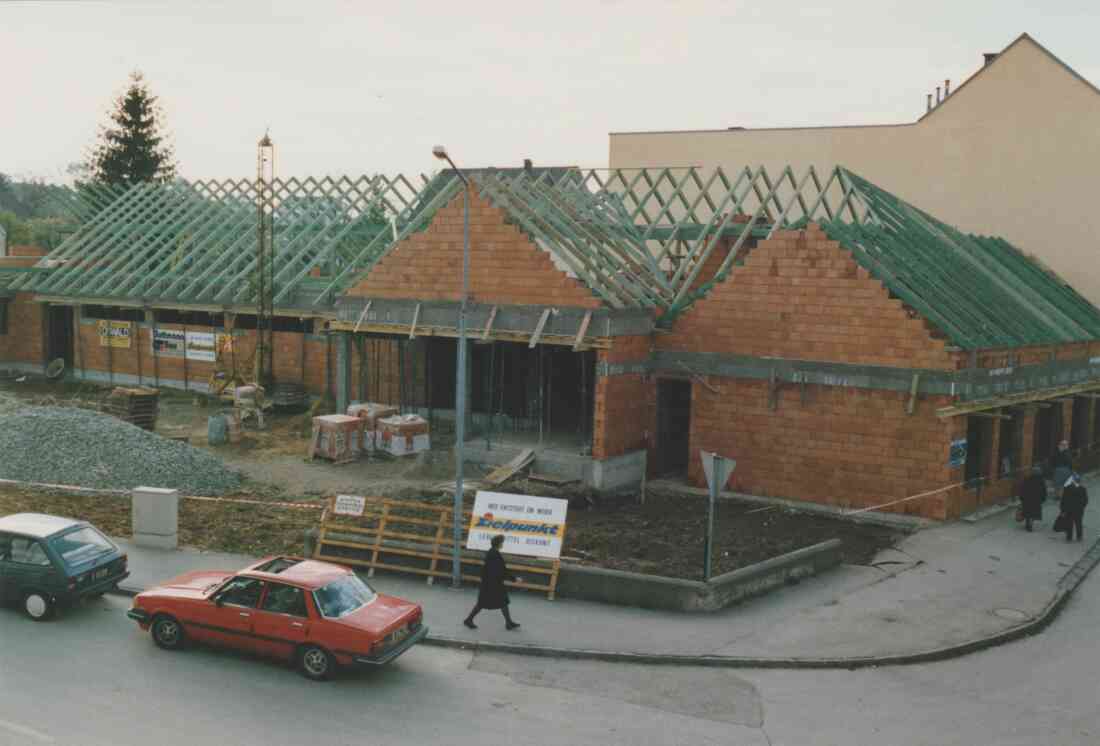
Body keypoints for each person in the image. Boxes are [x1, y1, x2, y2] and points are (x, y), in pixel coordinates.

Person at [464, 534, 521, 631]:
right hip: (492, 584)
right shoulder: (495, 554)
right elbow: (502, 570)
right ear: (499, 544)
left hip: (490, 583)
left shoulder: (491, 552)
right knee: (483, 603)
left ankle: (508, 622)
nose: (503, 544)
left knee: (502, 602)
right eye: (502, 542)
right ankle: (468, 620)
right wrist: (514, 579)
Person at [1060, 474, 1089, 542]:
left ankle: (1069, 537)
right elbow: (1085, 500)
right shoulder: (1083, 489)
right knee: (1078, 523)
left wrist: (1062, 509)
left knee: (1069, 523)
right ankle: (1079, 536)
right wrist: (1082, 507)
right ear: (1079, 481)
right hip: (1079, 510)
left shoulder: (1067, 488)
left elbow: (1064, 500)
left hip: (1069, 509)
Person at [1019, 466, 1046, 532]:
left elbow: (1023, 489)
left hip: (1027, 498)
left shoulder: (1027, 479)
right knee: (1034, 512)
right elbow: (1043, 490)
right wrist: (1043, 498)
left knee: (1028, 512)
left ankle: (1028, 523)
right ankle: (1030, 523)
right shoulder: (1041, 481)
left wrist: (1021, 497)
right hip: (1036, 499)